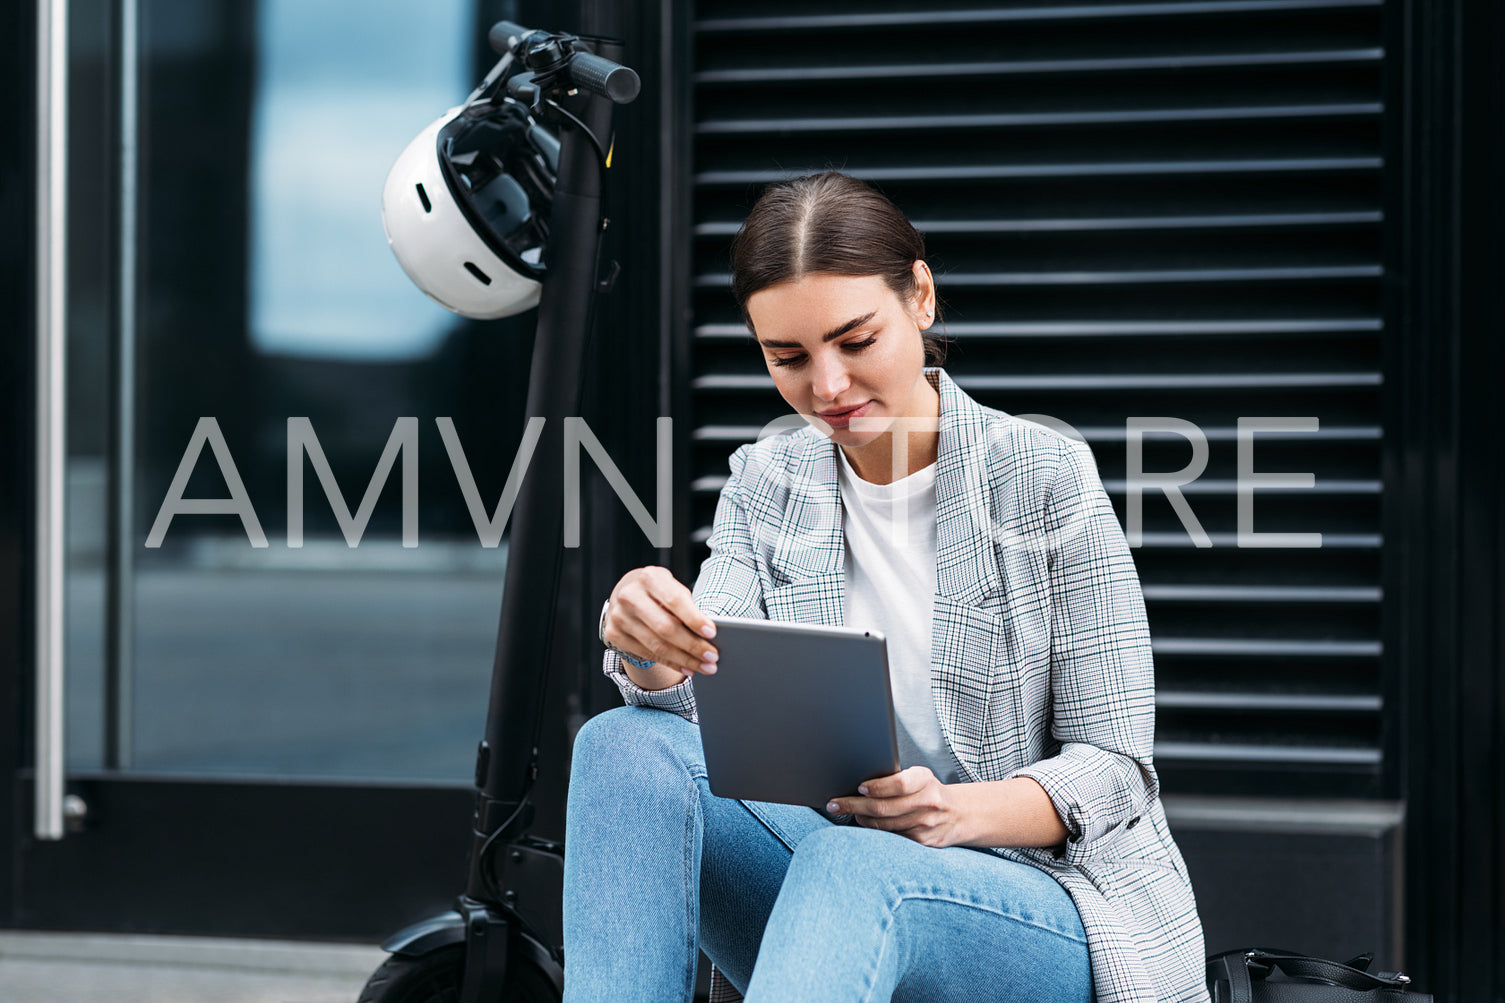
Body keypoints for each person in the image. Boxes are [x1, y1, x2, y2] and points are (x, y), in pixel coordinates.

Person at [561, 171, 1208, 1003]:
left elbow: (1117, 769)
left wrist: (953, 812)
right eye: (786, 357)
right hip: (836, 884)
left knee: (858, 859)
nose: (826, 387)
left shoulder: (1043, 476)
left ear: (921, 299)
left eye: (855, 340)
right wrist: (652, 651)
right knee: (620, 748)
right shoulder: (768, 480)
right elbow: (699, 715)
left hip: (1043, 906)